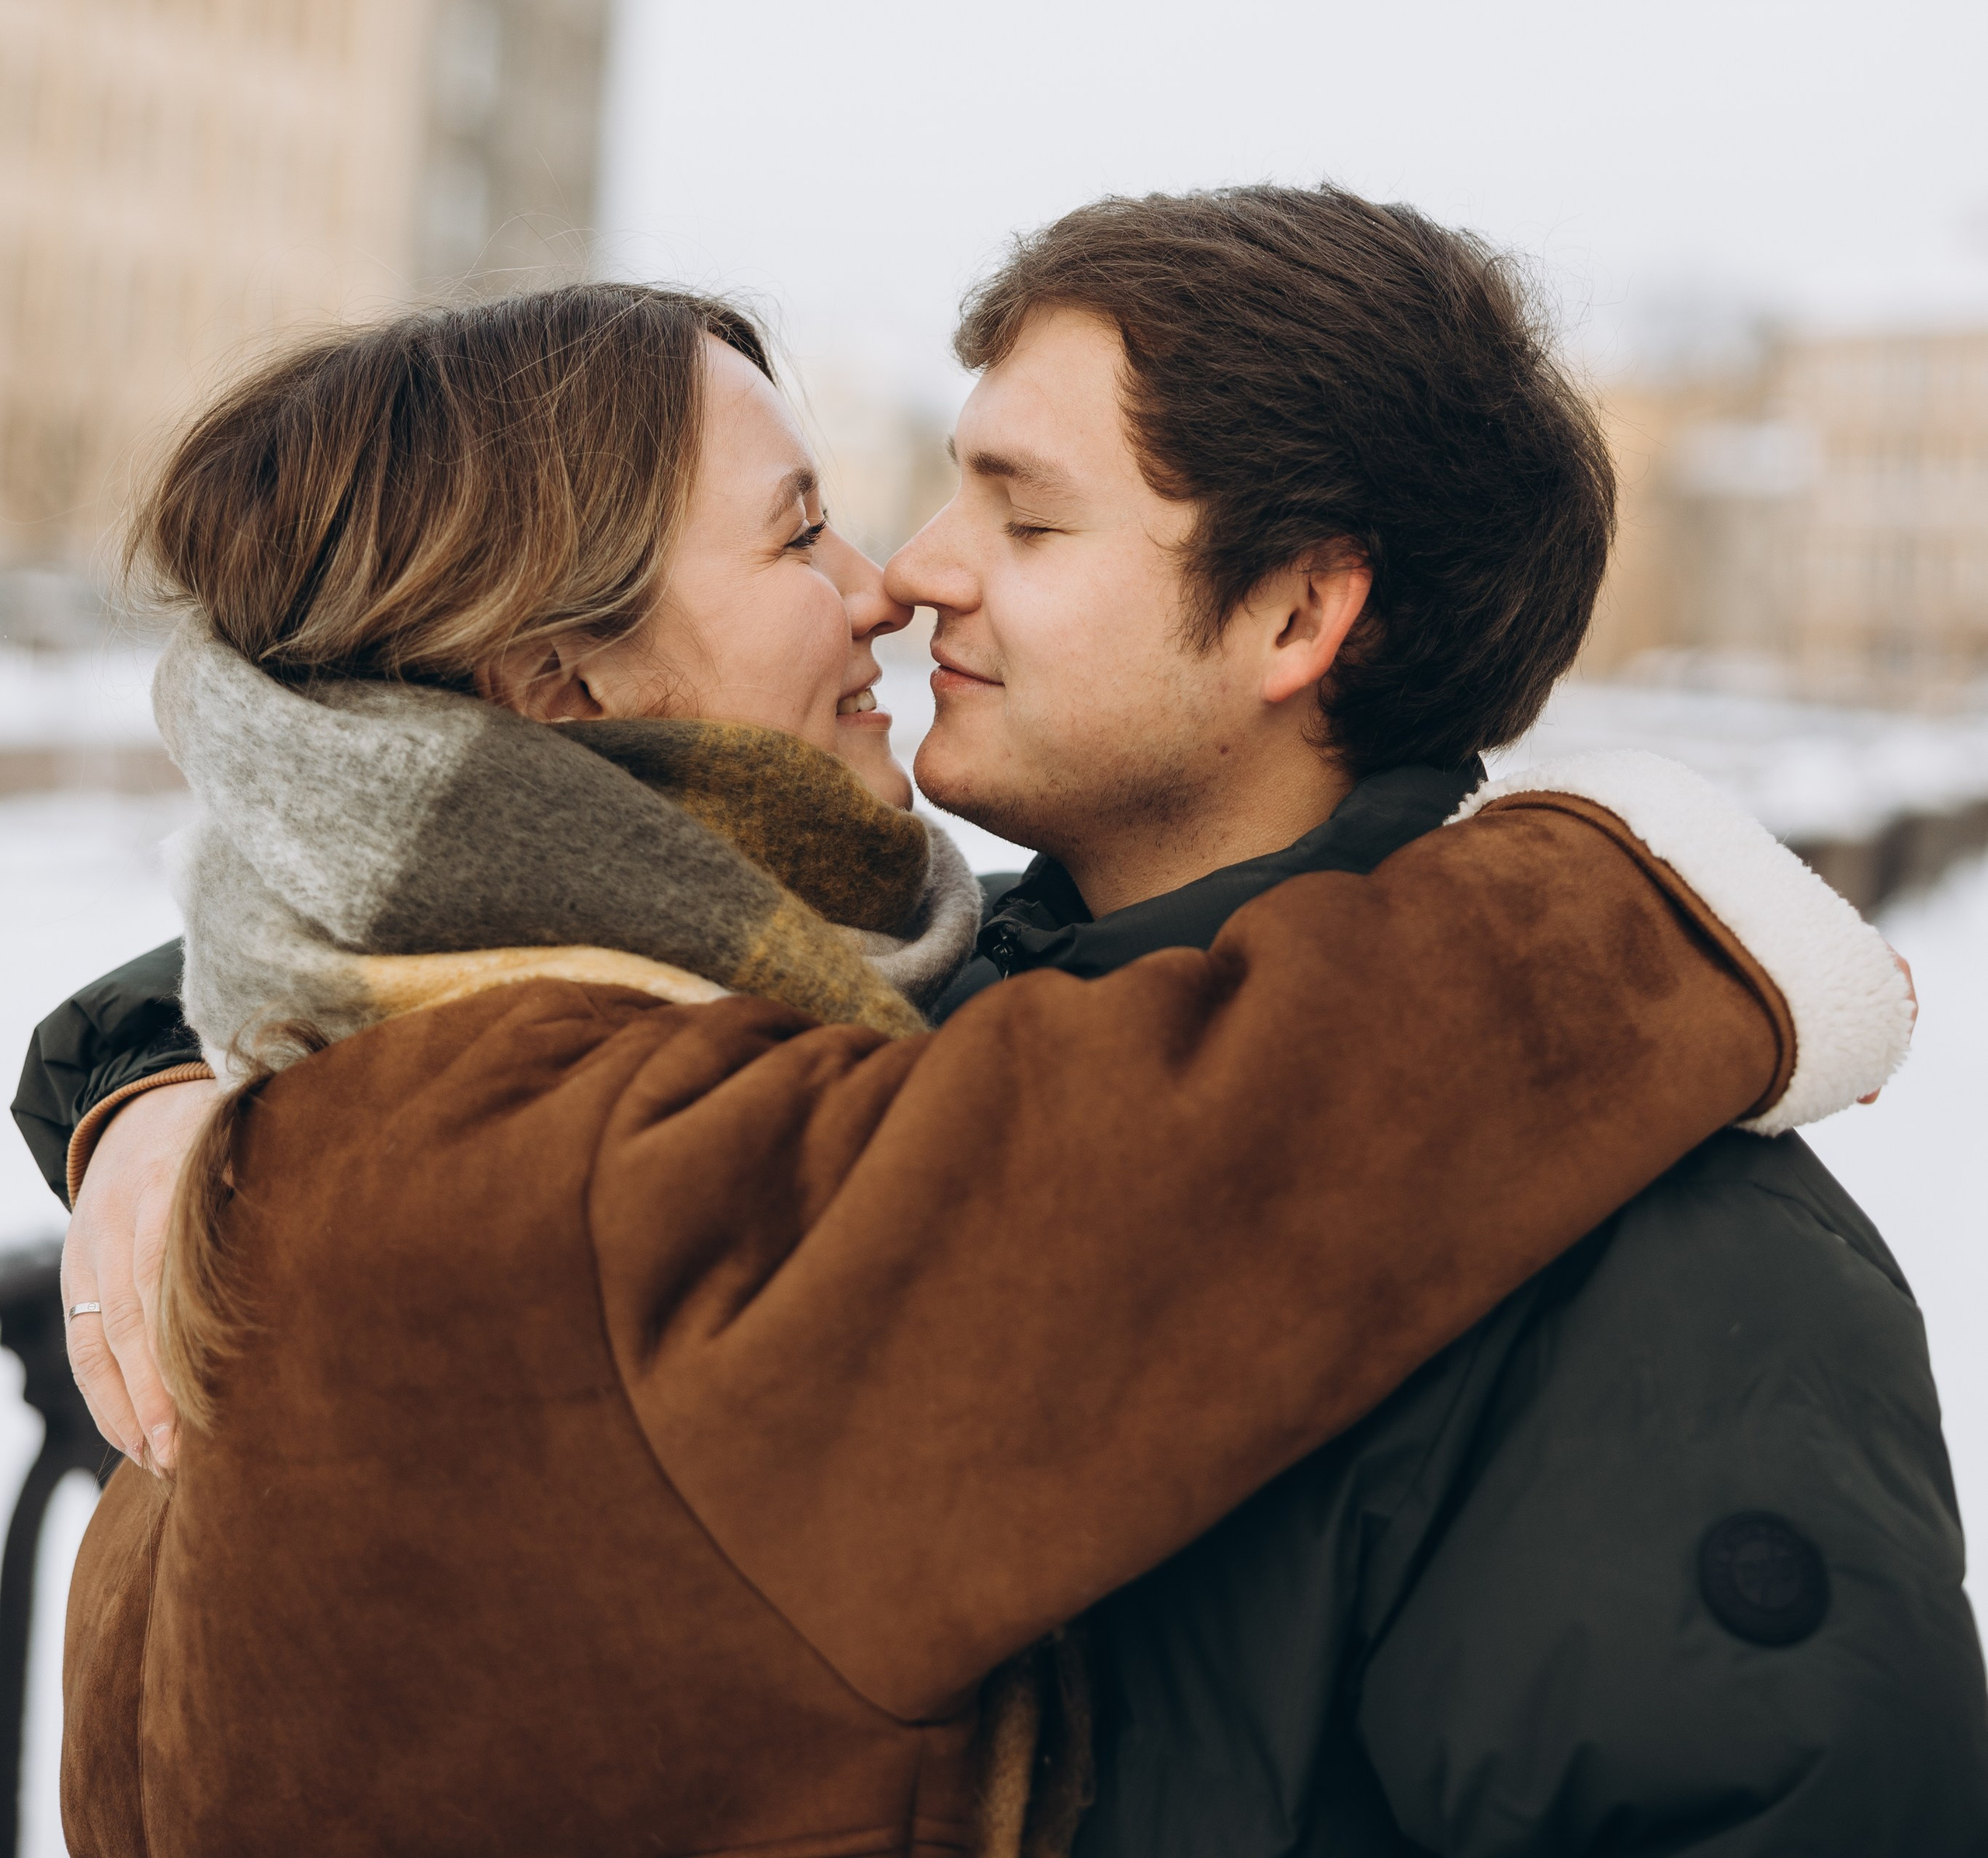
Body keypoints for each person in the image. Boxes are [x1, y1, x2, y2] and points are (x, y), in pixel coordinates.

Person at [13, 241, 1921, 1856]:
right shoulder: (721, 1106)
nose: (906, 575)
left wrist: (165, 1081)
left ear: (1292, 610)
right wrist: (1640, 907)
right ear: (554, 683)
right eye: (818, 528)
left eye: (1021, 512)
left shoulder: (1640, 1245)